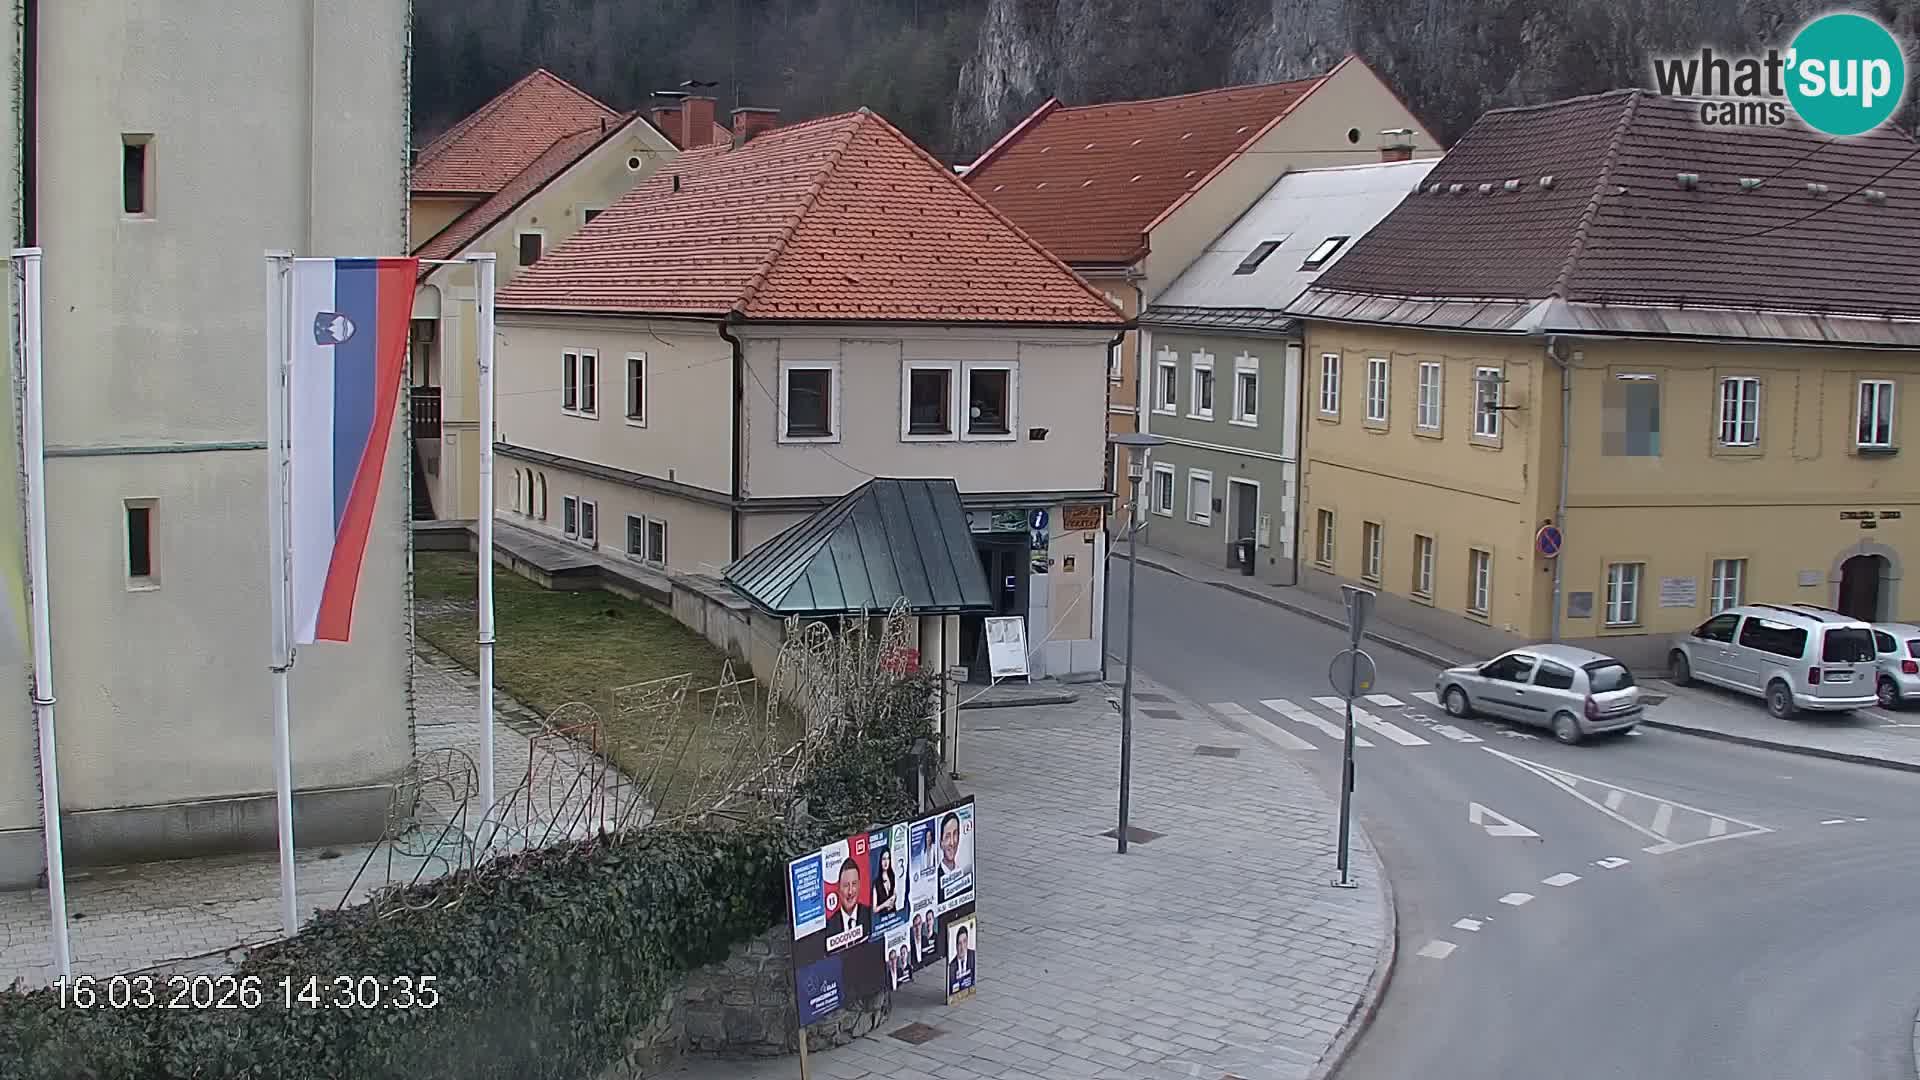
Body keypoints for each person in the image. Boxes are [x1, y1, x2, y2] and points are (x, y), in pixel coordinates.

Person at [825, 858, 872, 943]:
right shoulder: (829, 926)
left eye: (854, 884)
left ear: (859, 885)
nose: (850, 892)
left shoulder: (870, 915)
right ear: (839, 888)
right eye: (846, 885)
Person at [947, 925, 975, 993]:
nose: (962, 947)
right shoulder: (951, 967)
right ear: (956, 946)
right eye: (959, 943)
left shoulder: (973, 956)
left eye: (965, 941)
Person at [873, 848, 898, 915]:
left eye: (888, 858)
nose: (886, 862)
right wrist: (885, 904)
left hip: (893, 915)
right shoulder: (876, 883)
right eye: (884, 859)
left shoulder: (892, 876)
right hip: (882, 920)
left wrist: (894, 899)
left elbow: (894, 893)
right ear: (880, 861)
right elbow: (874, 909)